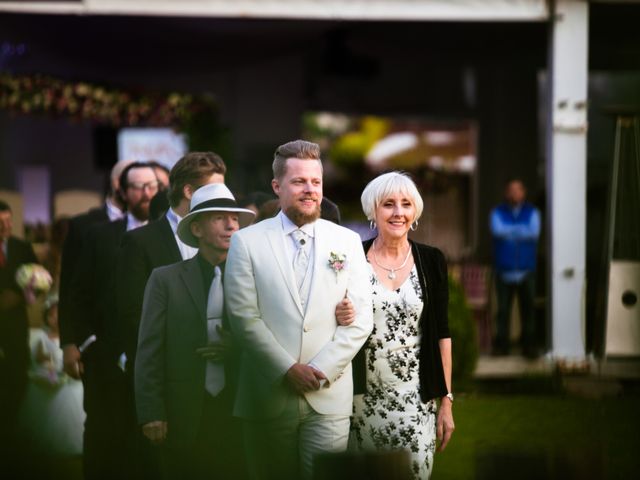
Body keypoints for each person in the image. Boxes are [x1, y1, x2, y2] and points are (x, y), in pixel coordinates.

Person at [224, 139, 373, 480]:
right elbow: (243, 317)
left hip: (328, 393)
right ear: (277, 186)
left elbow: (361, 319)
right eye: (299, 181)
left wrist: (319, 368)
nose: (310, 190)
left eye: (316, 182)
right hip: (267, 393)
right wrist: (287, 369)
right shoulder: (246, 242)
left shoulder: (346, 241)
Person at [338, 171, 454, 480]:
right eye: (388, 204)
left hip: (417, 398)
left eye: (405, 204)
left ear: (414, 211)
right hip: (360, 398)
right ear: (373, 211)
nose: (398, 212)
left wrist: (446, 400)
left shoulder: (432, 260)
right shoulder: (352, 258)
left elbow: (442, 334)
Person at [135, 183, 255, 479]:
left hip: (241, 410)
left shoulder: (255, 278)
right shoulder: (166, 279)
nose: (230, 225)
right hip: (183, 413)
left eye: (235, 219)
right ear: (197, 229)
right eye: (219, 218)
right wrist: (152, 412)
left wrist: (236, 347)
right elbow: (149, 350)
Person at [65, 162, 159, 480]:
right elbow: (76, 294)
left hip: (150, 354)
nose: (147, 193)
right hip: (104, 355)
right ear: (123, 191)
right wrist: (83, 343)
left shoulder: (166, 235)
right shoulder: (98, 236)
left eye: (152, 186)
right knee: (103, 440)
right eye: (139, 187)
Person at [0, 199, 38, 471]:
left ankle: (10, 430)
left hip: (15, 325)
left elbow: (38, 281)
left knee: (17, 375)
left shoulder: (21, 247)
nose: (6, 227)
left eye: (8, 221)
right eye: (0, 223)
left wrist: (24, 296)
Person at [490, 179, 541, 358]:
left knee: (528, 311)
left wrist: (509, 231)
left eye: (518, 190)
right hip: (504, 270)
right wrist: (521, 231)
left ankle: (529, 347)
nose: (514, 193)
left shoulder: (532, 212)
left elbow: (533, 233)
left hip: (526, 270)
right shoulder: (498, 212)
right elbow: (497, 231)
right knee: (503, 312)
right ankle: (502, 347)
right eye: (511, 190)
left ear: (523, 192)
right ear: (506, 193)